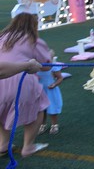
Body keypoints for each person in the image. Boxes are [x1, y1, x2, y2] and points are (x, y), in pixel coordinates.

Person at [0, 13, 52, 157]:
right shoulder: (34, 40)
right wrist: (51, 55)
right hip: (21, 79)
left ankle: (3, 144)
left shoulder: (1, 37)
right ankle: (28, 146)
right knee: (39, 108)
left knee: (1, 111)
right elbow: (46, 66)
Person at [37, 58, 63, 135]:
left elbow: (60, 78)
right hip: (39, 91)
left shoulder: (53, 67)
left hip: (50, 91)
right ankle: (42, 124)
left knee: (52, 108)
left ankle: (54, 124)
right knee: (41, 109)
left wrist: (54, 84)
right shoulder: (35, 67)